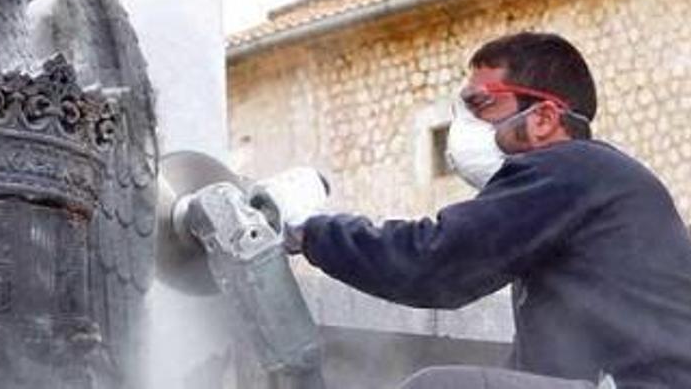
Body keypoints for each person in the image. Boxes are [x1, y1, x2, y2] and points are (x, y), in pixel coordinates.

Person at [286, 32, 691, 389]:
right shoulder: (585, 191)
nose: (465, 126)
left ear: (544, 119)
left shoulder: (570, 169)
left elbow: (432, 261)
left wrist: (310, 230)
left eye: (481, 105)